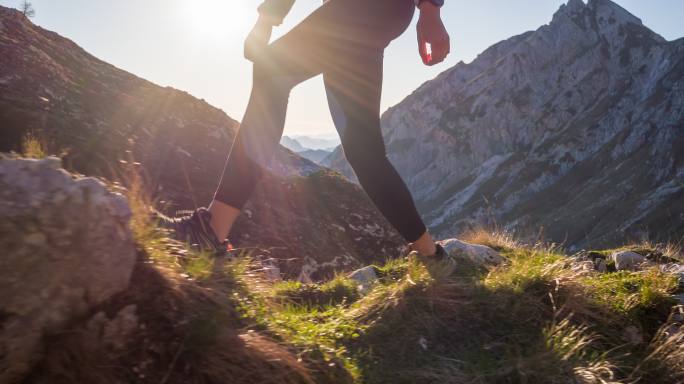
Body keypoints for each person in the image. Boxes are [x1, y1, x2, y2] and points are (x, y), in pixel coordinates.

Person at [159, 0, 456, 273]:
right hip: (372, 13)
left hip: (360, 10)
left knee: (271, 74)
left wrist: (431, 9)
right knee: (363, 151)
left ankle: (210, 231)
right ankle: (433, 258)